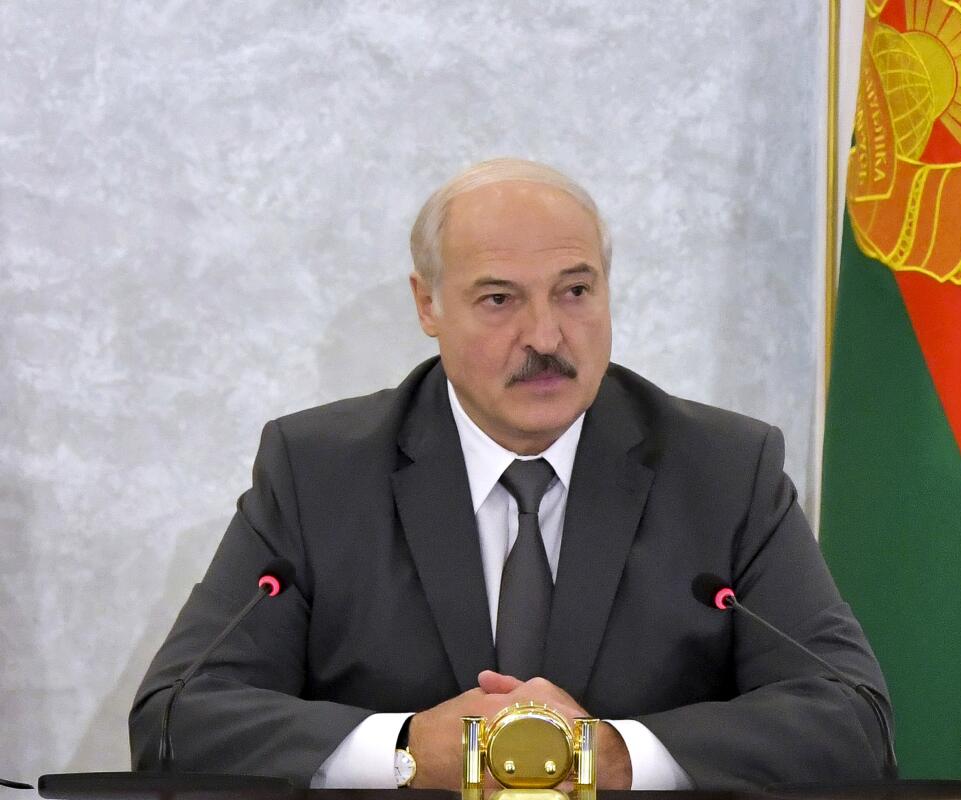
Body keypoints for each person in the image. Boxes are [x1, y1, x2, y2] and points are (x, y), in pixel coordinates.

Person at [129, 158, 892, 791]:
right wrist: (406, 749)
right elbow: (177, 716)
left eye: (575, 290)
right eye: (499, 299)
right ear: (427, 304)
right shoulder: (320, 469)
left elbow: (851, 718)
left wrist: (610, 754)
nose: (547, 335)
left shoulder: (723, 470)